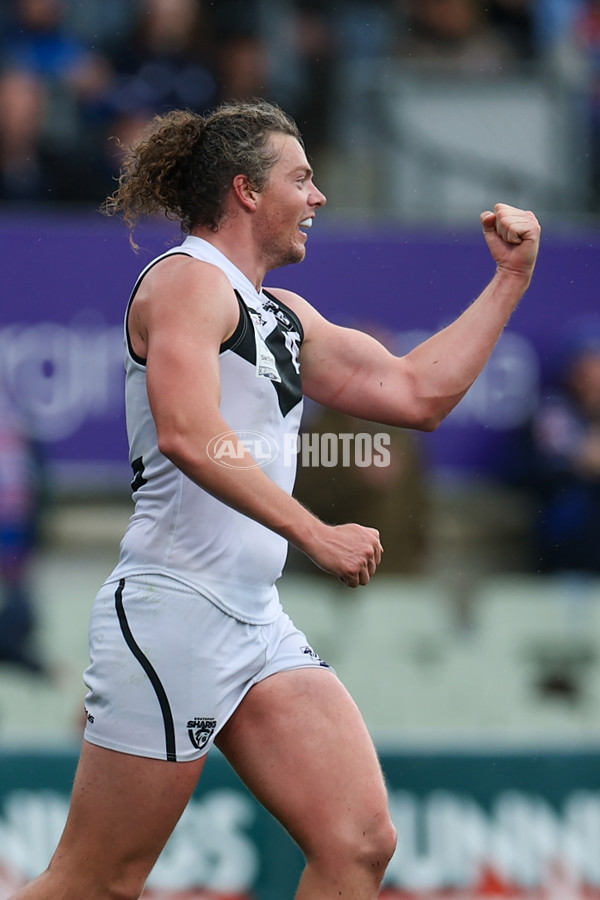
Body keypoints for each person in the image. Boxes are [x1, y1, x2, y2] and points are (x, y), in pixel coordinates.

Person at [8, 99, 540, 900]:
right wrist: (315, 533)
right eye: (303, 177)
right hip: (172, 611)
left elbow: (419, 392)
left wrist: (509, 280)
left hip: (254, 620)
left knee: (359, 842)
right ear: (246, 191)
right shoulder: (187, 281)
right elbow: (190, 433)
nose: (319, 196)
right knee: (97, 882)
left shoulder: (281, 315)